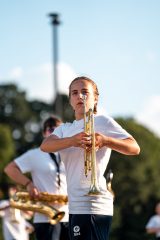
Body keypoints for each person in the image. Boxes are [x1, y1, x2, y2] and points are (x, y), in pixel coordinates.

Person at [40, 76, 140, 240]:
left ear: (95, 99)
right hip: (75, 205)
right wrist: (73, 140)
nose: (80, 96)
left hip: (94, 203)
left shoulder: (103, 122)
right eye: (75, 93)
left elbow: (134, 147)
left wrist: (105, 140)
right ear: (70, 101)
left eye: (85, 92)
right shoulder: (65, 129)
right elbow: (45, 146)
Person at [4, 116, 69, 240]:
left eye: (58, 129)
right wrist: (29, 184)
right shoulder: (35, 154)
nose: (54, 131)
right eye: (50, 129)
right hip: (45, 217)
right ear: (44, 133)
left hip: (70, 215)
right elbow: (10, 169)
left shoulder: (68, 154)